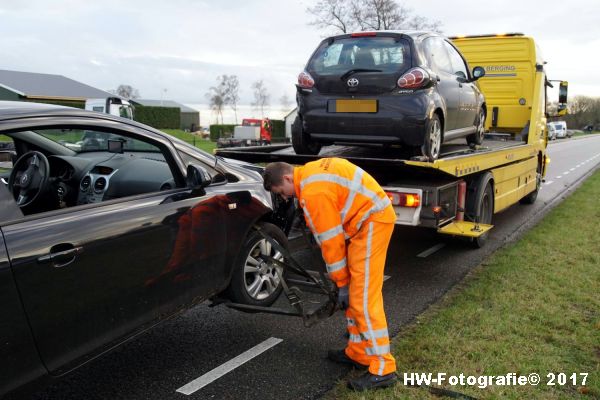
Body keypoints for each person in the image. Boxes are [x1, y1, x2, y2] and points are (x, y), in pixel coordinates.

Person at [263, 158, 397, 391]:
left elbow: (331, 242)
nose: (285, 197)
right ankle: (358, 353)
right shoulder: (309, 172)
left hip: (371, 223)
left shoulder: (313, 193)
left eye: (282, 192)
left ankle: (383, 368)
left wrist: (341, 283)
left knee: (362, 299)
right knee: (356, 296)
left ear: (286, 178)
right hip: (365, 221)